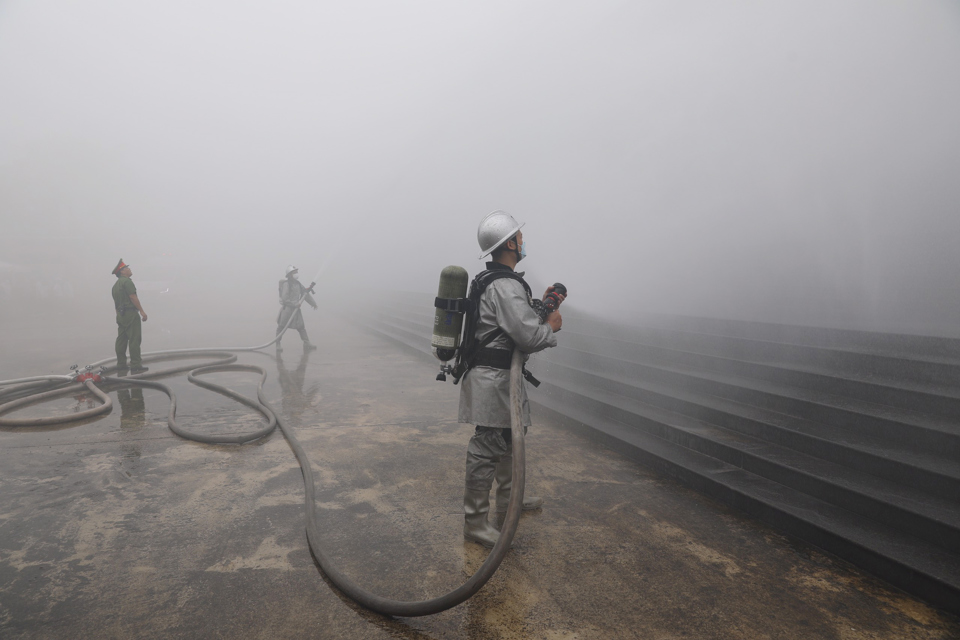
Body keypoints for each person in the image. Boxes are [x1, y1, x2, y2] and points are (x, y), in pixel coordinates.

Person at [459, 211, 564, 547]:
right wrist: (551, 327)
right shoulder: (504, 286)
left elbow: (515, 324)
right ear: (510, 243)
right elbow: (528, 337)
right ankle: (475, 522)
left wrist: (539, 308)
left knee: (508, 441)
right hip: (494, 379)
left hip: (503, 377)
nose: (523, 241)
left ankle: (509, 503)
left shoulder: (497, 282)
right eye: (519, 236)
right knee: (488, 446)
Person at [111, 259, 149, 374]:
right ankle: (136, 365)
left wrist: (118, 316)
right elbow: (132, 297)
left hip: (121, 315)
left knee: (121, 340)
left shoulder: (115, 286)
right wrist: (142, 311)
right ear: (122, 272)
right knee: (134, 339)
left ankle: (121, 364)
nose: (129, 269)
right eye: (127, 268)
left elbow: (116, 303)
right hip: (130, 313)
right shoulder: (127, 282)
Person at [276, 265, 318, 353]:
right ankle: (278, 343)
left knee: (301, 327)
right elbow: (285, 298)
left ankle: (306, 343)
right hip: (287, 309)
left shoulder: (298, 284)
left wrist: (313, 303)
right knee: (281, 327)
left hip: (296, 309)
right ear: (289, 275)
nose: (296, 274)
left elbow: (305, 294)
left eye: (296, 272)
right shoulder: (286, 284)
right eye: (294, 273)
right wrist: (294, 304)